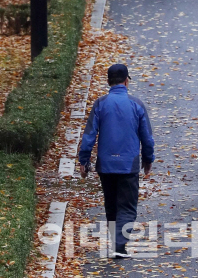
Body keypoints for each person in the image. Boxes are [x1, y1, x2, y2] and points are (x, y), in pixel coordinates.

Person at [79, 63, 154, 258]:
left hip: (106, 164)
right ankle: (120, 246)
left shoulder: (100, 104)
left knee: (111, 204)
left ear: (108, 82)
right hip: (128, 164)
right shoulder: (136, 104)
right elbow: (147, 137)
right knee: (127, 206)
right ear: (126, 81)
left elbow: (89, 136)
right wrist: (148, 159)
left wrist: (84, 161)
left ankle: (116, 243)